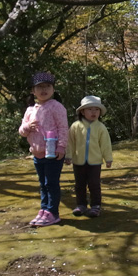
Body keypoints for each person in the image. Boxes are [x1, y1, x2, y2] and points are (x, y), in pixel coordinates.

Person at [18, 71, 69, 227]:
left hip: (53, 153)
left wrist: (61, 146)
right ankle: (44, 209)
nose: (43, 90)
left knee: (51, 183)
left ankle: (53, 212)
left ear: (53, 89)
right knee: (42, 183)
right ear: (33, 91)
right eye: (39, 87)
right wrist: (27, 127)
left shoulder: (56, 107)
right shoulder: (30, 110)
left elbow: (63, 128)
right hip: (37, 153)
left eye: (47, 86)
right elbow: (21, 131)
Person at [65, 95, 113, 218]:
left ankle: (96, 206)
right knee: (79, 184)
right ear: (82, 111)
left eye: (96, 110)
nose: (93, 112)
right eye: (90, 109)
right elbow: (69, 142)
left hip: (95, 162)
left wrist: (108, 158)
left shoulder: (101, 127)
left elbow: (105, 144)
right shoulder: (76, 126)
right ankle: (81, 205)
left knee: (94, 184)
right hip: (78, 161)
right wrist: (68, 156)